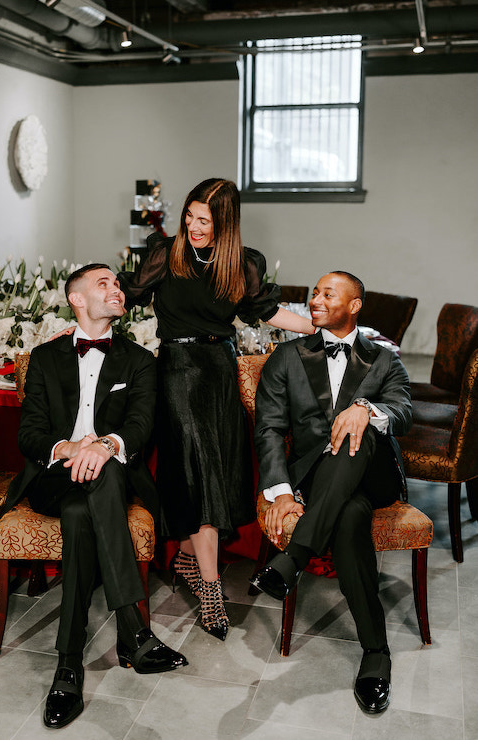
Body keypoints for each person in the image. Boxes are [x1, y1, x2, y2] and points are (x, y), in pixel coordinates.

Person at [119, 178, 314, 640]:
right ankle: (211, 590)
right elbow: (127, 296)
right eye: (189, 216)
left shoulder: (242, 264)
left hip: (219, 371)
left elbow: (266, 312)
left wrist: (320, 328)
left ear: (224, 222)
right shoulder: (167, 253)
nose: (193, 226)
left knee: (212, 474)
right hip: (177, 371)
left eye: (204, 220)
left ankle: (189, 556)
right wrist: (87, 310)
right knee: (200, 472)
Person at [3, 263, 187, 730]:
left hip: (109, 471)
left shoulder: (140, 360)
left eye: (117, 283)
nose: (117, 289)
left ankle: (68, 663)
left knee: (82, 510)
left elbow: (140, 426)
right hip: (54, 474)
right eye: (103, 284)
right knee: (82, 490)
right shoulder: (45, 359)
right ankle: (135, 633)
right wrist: (69, 448)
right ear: (77, 299)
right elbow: (29, 434)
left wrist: (104, 447)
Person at [250, 271, 412, 715]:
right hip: (317, 482)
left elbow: (403, 411)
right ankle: (376, 653)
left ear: (355, 305)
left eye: (327, 294)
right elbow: (269, 428)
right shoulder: (287, 357)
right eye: (314, 293)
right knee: (349, 516)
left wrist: (365, 408)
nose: (314, 299)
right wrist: (281, 492)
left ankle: (294, 558)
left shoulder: (384, 359)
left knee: (359, 429)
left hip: (376, 474)